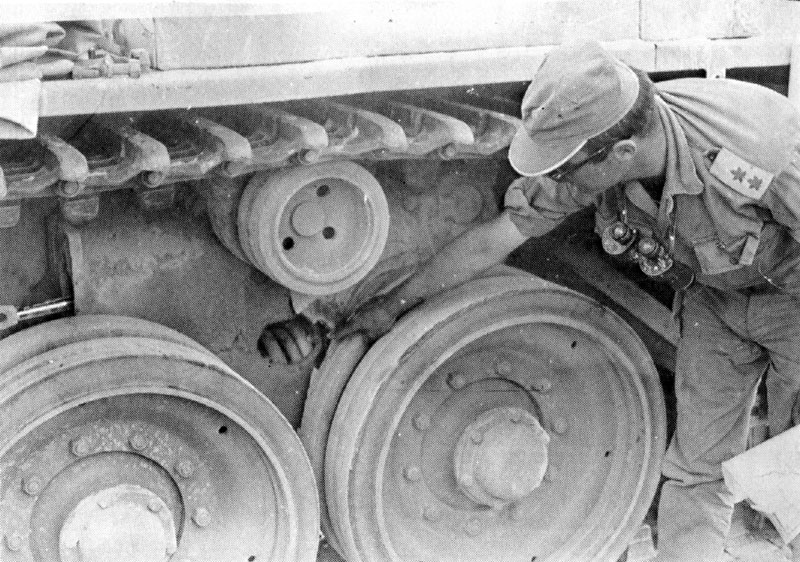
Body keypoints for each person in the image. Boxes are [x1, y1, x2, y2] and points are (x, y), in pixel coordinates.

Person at [262, 40, 800, 561]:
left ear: (623, 154)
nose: (556, 179)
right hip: (714, 302)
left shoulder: (761, 150)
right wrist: (392, 306)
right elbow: (497, 239)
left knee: (792, 463)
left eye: (563, 168)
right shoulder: (595, 154)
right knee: (697, 468)